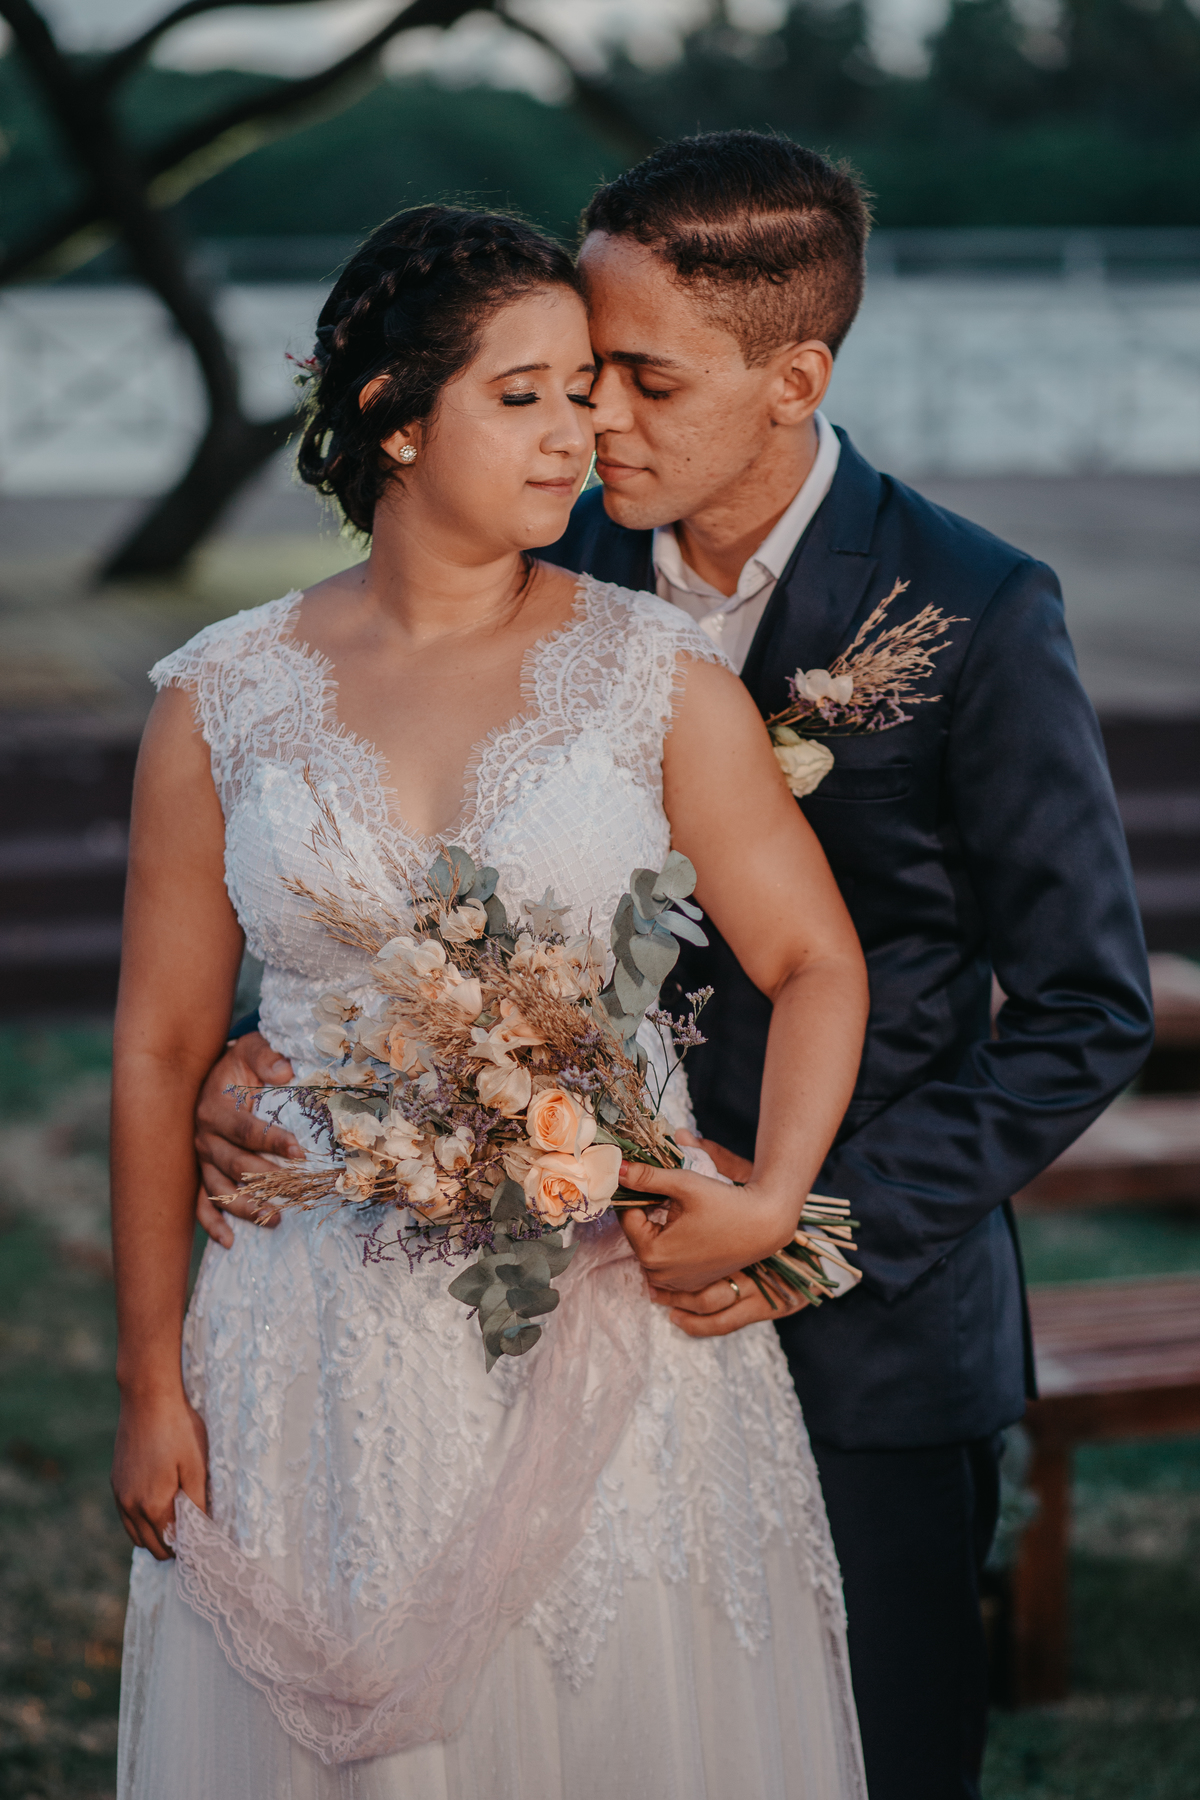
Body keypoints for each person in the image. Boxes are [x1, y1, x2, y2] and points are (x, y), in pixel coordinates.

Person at [195, 136, 1154, 1799]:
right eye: (578, 374)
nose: (596, 424)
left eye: (643, 379)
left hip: (863, 1327)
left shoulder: (975, 609)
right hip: (542, 1307)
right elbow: (376, 840)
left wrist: (811, 1221)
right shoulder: (539, 561)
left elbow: (1088, 1005)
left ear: (795, 380)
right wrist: (252, 1048)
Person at [111, 203, 872, 1799]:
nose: (578, 432)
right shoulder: (219, 697)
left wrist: (771, 1199)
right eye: (524, 395)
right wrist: (152, 1380)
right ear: (394, 416)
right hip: (306, 1337)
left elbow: (813, 961)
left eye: (586, 391)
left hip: (602, 1318)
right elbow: (161, 1046)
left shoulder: (655, 673)